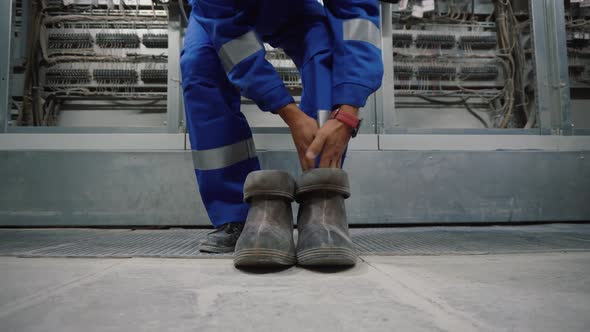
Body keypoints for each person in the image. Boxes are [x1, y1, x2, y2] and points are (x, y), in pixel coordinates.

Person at [181, 0, 383, 265]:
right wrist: (289, 112)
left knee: (324, 56)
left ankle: (321, 196)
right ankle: (237, 216)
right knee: (200, 67)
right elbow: (231, 37)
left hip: (292, 7)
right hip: (222, 13)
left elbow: (356, 17)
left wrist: (347, 110)